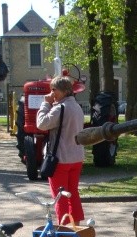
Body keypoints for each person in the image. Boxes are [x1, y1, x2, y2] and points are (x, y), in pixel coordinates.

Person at [36, 75, 85, 225]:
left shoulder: (60, 108)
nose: (51, 93)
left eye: (54, 90)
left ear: (63, 91)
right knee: (73, 193)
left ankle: (62, 228)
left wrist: (45, 104)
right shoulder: (77, 107)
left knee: (60, 196)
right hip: (76, 158)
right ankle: (76, 226)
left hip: (61, 159)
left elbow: (41, 124)